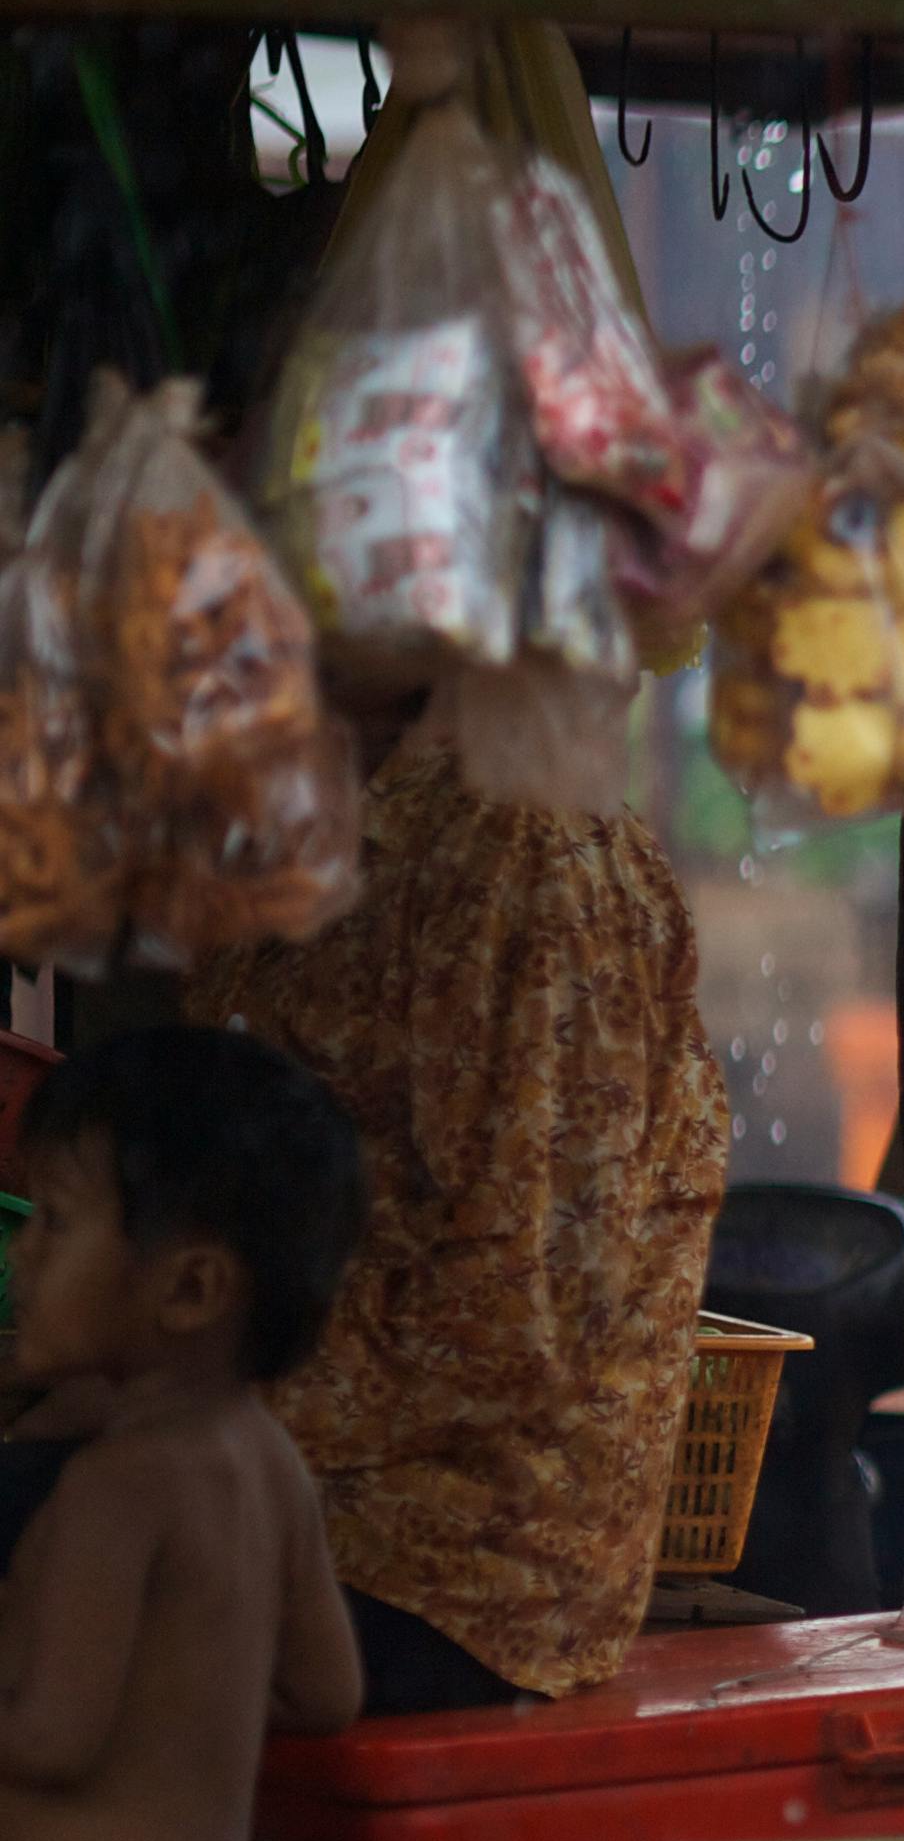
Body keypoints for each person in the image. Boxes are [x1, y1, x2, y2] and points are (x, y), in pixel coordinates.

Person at [186, 689, 732, 1713]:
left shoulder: (520, 849)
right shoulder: (310, 819)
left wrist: (173, 1400)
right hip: (274, 1486)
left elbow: (526, 1315)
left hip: (436, 1570)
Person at [0, 1027, 372, 1841]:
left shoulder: (115, 1487)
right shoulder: (267, 1457)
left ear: (191, 1291)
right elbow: (328, 1694)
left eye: (54, 1221)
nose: (23, 1253)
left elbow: (50, 1740)